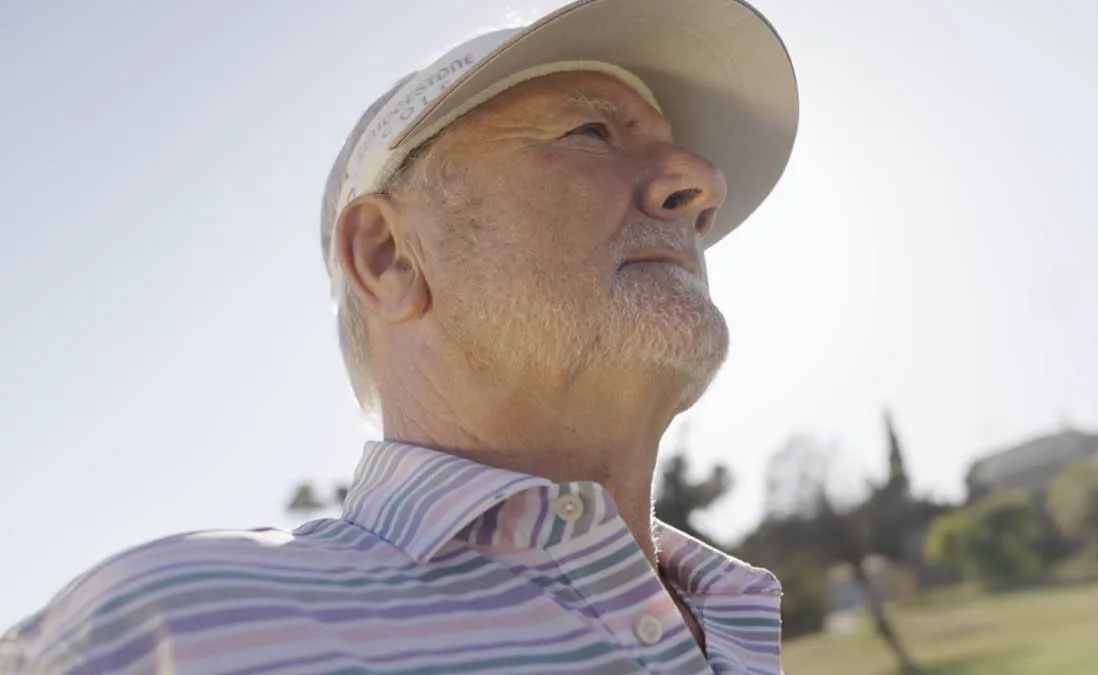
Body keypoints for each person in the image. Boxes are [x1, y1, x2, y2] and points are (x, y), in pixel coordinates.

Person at [0, 0, 797, 672]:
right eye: (590, 133)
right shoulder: (170, 634)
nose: (702, 185)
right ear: (387, 256)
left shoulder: (738, 611)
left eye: (683, 158)